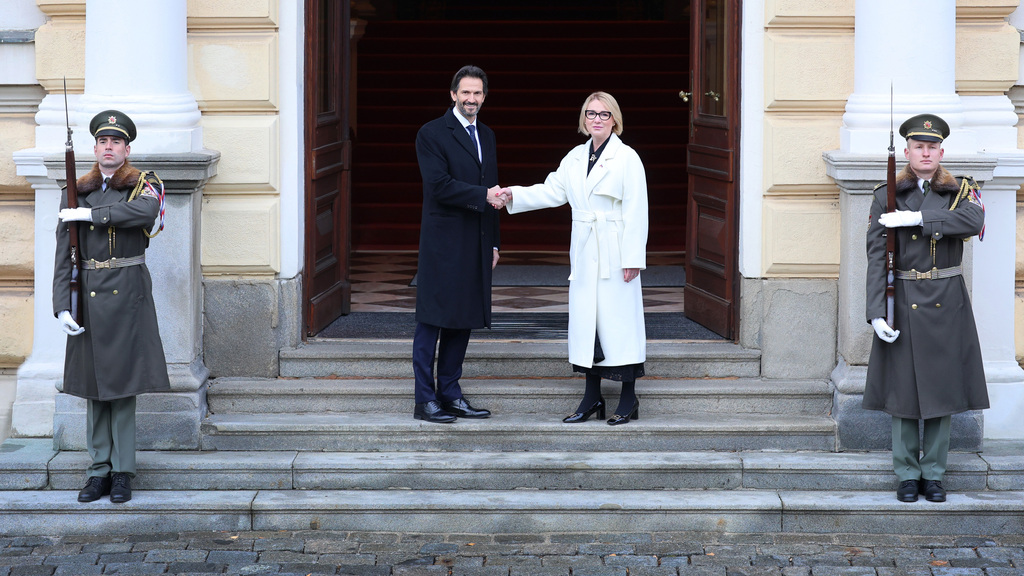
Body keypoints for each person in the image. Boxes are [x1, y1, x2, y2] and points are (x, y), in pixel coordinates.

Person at [864, 113, 988, 503]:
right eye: (919, 146)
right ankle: (906, 473)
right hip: (901, 295)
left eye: (932, 147)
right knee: (903, 392)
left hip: (946, 297)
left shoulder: (962, 189)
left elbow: (974, 220)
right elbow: (874, 255)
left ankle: (933, 474)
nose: (926, 152)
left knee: (942, 389)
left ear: (941, 152)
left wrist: (919, 217)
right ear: (907, 151)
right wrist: (875, 312)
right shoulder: (887, 192)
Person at [504, 91, 648, 425]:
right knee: (589, 327)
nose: (597, 119)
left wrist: (632, 258)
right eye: (591, 113)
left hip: (614, 253)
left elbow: (636, 211)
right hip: (585, 252)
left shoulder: (627, 159)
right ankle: (591, 397)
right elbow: (551, 191)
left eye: (604, 114)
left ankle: (628, 399)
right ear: (584, 119)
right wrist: (513, 194)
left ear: (615, 120)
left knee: (620, 325)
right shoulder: (573, 158)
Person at [54, 110, 170, 503]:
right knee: (93, 387)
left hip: (128, 291)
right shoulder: (76, 189)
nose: (109, 147)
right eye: (103, 141)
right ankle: (97, 471)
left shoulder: (143, 184)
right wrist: (61, 306)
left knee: (122, 387)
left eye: (116, 142)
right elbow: (62, 255)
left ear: (127, 149)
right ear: (94, 148)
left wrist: (92, 215)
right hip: (86, 293)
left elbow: (146, 213)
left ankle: (122, 472)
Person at [412, 65, 507, 423]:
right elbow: (439, 185)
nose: (471, 99)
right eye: (465, 93)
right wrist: (484, 195)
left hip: (478, 240)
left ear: (484, 96)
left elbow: (493, 189)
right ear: (453, 94)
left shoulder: (488, 134)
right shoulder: (432, 133)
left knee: (462, 320)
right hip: (443, 242)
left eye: (477, 93)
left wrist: (495, 242)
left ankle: (450, 394)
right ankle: (425, 400)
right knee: (432, 321)